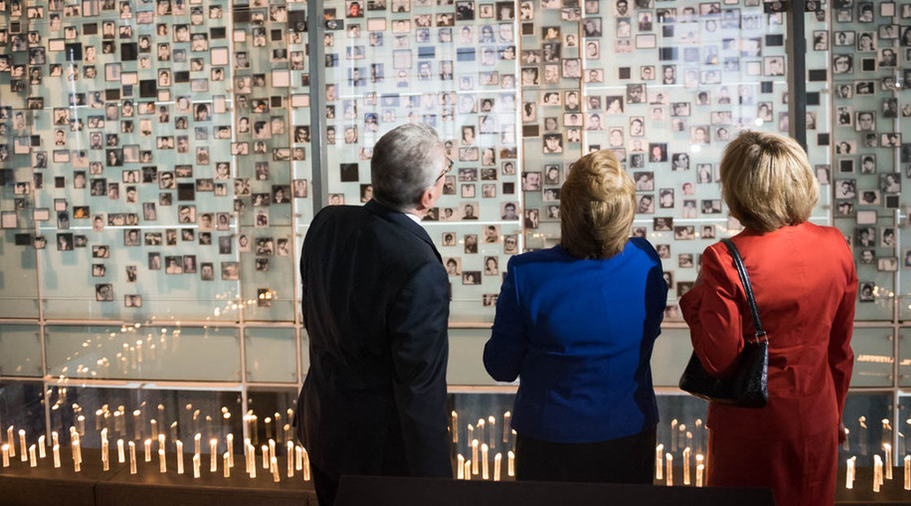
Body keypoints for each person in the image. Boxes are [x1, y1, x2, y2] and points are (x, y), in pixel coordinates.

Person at [679, 131, 857, 506]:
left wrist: (695, 300)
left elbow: (718, 359)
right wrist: (836, 413)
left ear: (740, 190)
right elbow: (839, 351)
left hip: (752, 428)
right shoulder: (836, 245)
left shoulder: (725, 258)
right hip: (818, 418)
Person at [483, 149, 668, 483]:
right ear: (625, 214)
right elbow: (648, 332)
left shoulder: (528, 273)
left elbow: (500, 366)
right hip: (629, 433)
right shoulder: (646, 261)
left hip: (550, 440)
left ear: (566, 210)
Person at [295, 124, 453, 506]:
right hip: (381, 458)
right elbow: (420, 388)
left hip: (325, 429)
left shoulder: (326, 223)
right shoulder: (420, 269)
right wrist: (438, 483)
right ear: (428, 195)